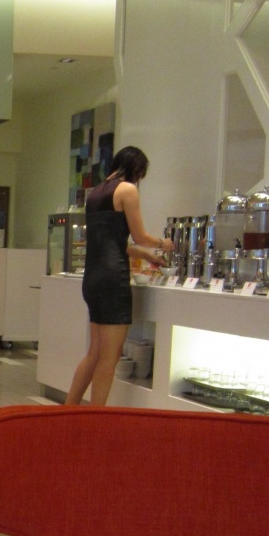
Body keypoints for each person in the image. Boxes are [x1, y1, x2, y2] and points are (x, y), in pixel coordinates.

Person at [64, 146, 173, 407]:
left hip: (93, 278)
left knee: (94, 353)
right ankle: (96, 419)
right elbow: (140, 236)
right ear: (137, 169)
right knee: (109, 357)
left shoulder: (95, 193)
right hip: (114, 279)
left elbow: (112, 242)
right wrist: (163, 244)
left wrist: (146, 256)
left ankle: (68, 411)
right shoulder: (127, 190)